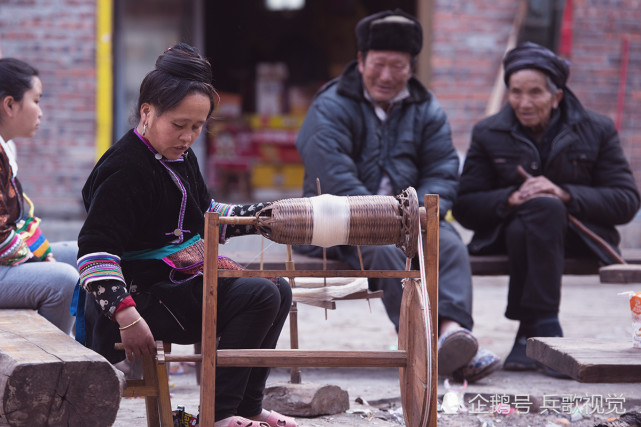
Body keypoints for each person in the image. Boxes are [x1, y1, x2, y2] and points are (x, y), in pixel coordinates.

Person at [76, 43, 296, 427]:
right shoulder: (125, 169)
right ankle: (217, 414)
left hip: (174, 285)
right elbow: (95, 252)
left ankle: (245, 406)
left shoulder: (179, 156)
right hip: (140, 296)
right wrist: (126, 316)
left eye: (197, 127)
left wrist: (267, 217)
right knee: (258, 293)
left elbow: (208, 216)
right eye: (179, 125)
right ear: (147, 111)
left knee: (279, 289)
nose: (188, 136)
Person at [294, 9, 500, 383]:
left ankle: (452, 330)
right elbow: (333, 175)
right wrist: (385, 219)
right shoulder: (331, 105)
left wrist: (418, 214)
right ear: (360, 61)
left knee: (449, 242)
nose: (387, 76)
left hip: (410, 217)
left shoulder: (426, 108)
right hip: (340, 221)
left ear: (411, 67)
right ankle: (423, 342)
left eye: (398, 66)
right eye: (378, 64)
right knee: (385, 248)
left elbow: (441, 170)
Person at [453, 42, 640, 375]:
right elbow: (465, 206)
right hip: (508, 235)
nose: (524, 103)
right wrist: (510, 198)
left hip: (578, 238)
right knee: (535, 215)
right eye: (515, 92)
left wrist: (564, 193)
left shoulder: (596, 130)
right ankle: (545, 327)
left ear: (557, 96)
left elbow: (625, 200)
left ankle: (531, 331)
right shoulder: (489, 132)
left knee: (547, 209)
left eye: (535, 93)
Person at [0, 58, 79, 334]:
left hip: (6, 260)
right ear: (9, 105)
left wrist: (41, 252)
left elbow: (19, 221)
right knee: (64, 278)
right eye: (36, 101)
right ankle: (55, 363)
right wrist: (35, 259)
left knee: (86, 255)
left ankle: (99, 350)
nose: (41, 112)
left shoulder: (6, 149)